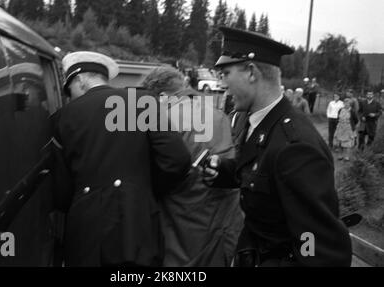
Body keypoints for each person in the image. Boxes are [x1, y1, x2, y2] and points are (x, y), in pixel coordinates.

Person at [202, 27, 351, 267]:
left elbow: (314, 242)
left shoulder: (296, 146)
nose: (223, 83)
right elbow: (264, 177)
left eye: (226, 73)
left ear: (251, 72)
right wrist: (224, 171)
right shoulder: (262, 123)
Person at [52, 51, 191, 267]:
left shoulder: (63, 118)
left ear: (80, 79)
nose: (70, 97)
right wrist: (143, 189)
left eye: (69, 90)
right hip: (136, 226)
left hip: (86, 235)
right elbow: (177, 159)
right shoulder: (141, 101)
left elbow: (61, 192)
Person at [141, 67, 243, 267]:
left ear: (162, 96)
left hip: (180, 224)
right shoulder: (217, 114)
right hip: (222, 221)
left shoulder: (165, 119)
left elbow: (154, 173)